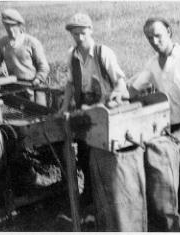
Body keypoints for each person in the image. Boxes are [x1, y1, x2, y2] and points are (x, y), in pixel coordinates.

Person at [129, 17, 180, 231]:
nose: (154, 41)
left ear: (169, 31)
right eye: (149, 38)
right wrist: (117, 94)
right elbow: (134, 87)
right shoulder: (153, 63)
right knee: (179, 177)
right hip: (170, 127)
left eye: (158, 35)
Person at [59, 12, 129, 211]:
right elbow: (71, 84)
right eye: (75, 34)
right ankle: (89, 200)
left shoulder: (102, 52)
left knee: (104, 158)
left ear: (90, 30)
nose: (79, 38)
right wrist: (64, 108)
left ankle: (110, 203)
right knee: (85, 156)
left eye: (82, 33)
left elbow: (120, 82)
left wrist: (113, 98)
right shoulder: (72, 55)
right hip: (84, 112)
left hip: (105, 111)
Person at [0, 8, 50, 106]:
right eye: (7, 25)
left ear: (19, 25)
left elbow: (44, 66)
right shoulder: (2, 43)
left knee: (39, 114)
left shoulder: (32, 42)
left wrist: (38, 79)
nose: (10, 29)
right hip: (15, 87)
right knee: (20, 116)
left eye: (13, 25)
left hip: (34, 86)